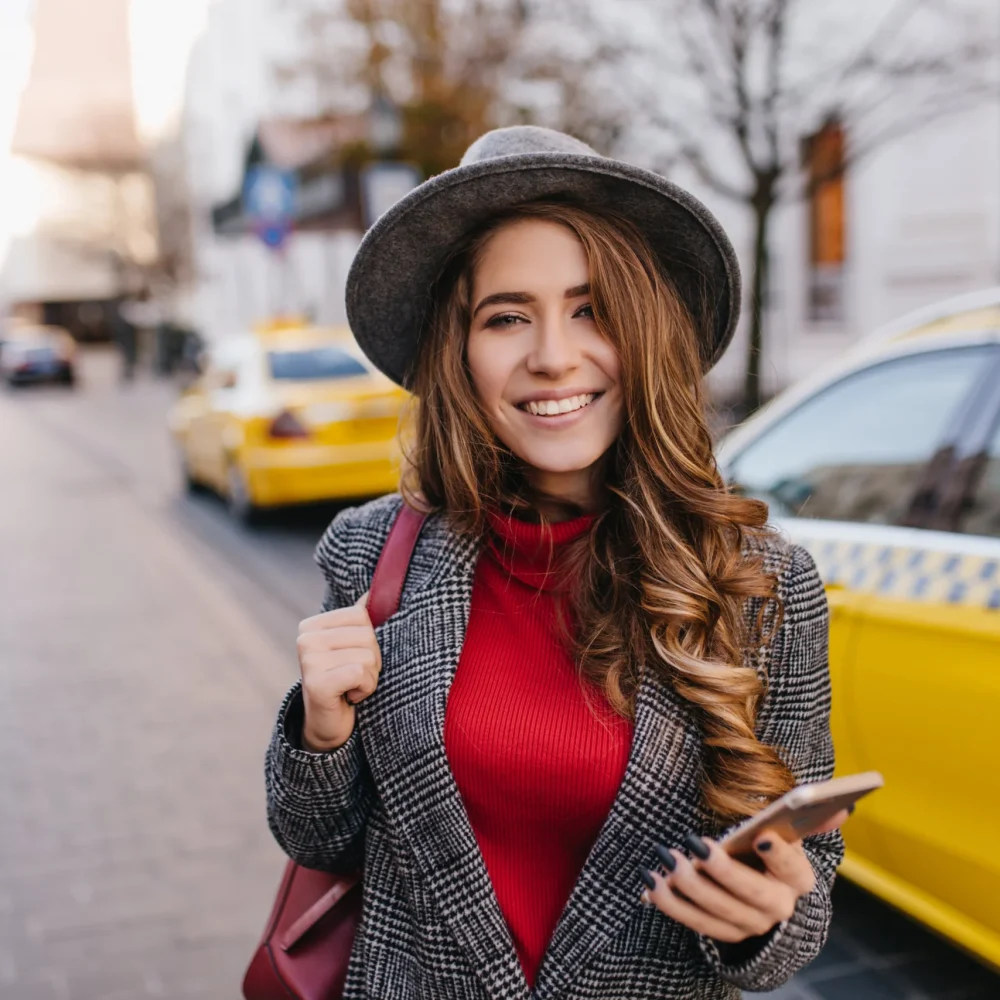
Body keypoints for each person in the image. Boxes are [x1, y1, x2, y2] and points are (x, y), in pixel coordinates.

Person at [265, 126, 846, 999]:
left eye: (591, 309)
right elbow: (314, 839)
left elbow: (809, 890)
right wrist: (318, 731)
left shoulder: (764, 588)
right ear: (457, 352)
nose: (552, 355)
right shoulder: (371, 552)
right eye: (506, 316)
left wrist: (766, 920)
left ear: (646, 333)